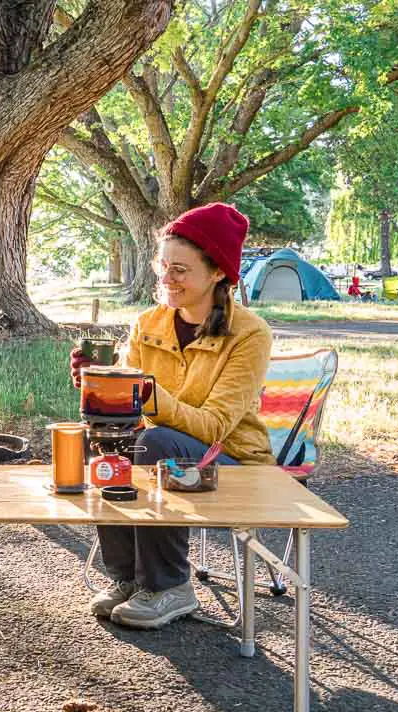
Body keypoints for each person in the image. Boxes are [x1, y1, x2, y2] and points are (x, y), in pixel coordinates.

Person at [69, 203, 273, 630]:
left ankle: (170, 586)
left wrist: (145, 395)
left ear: (217, 272)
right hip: (160, 451)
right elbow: (127, 412)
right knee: (105, 438)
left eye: (180, 269)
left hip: (233, 465)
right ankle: (128, 578)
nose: (166, 277)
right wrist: (98, 386)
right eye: (162, 265)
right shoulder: (149, 322)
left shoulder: (249, 334)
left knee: (156, 442)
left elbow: (215, 428)